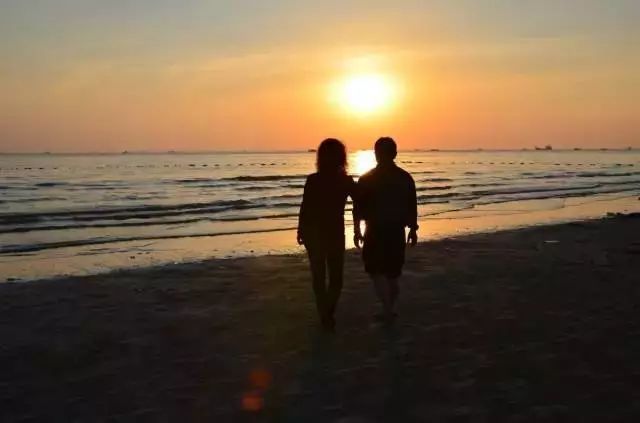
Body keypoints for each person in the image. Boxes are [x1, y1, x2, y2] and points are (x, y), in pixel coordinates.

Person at [354, 137, 418, 322]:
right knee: (393, 273)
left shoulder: (366, 178)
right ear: (395, 154)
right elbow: (412, 205)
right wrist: (413, 228)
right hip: (396, 229)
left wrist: (357, 230)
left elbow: (357, 208)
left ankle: (387, 309)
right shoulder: (405, 177)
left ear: (376, 154)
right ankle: (389, 308)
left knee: (375, 270)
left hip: (375, 229)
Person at [297, 138, 356, 331]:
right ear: (342, 157)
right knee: (336, 278)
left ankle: (325, 313)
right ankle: (327, 313)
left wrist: (300, 229)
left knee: (319, 276)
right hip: (334, 232)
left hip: (313, 231)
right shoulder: (345, 181)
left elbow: (305, 207)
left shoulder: (313, 179)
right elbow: (361, 200)